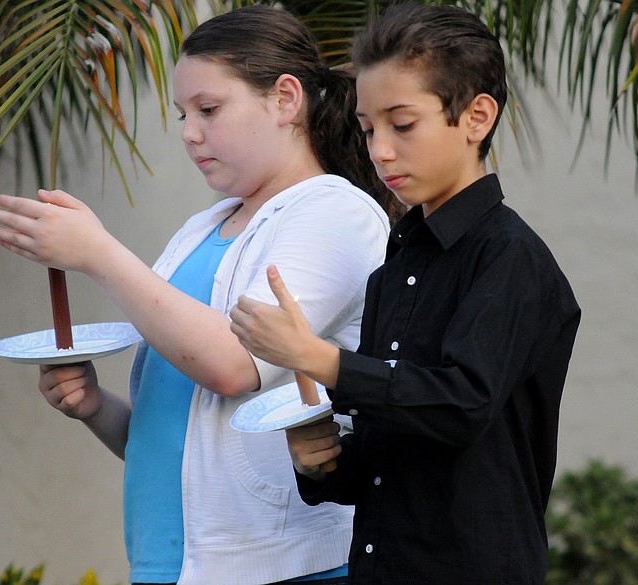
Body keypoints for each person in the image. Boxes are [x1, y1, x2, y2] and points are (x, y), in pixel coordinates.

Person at [0, 6, 394, 585]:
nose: (189, 133)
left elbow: (234, 366)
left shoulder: (335, 212)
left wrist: (98, 252)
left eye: (209, 109)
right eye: (182, 114)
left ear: (285, 99)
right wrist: (96, 408)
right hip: (167, 566)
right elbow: (183, 446)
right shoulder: (201, 229)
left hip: (279, 571)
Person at [229, 4, 582, 584]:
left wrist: (317, 358)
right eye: (368, 129)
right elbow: (386, 453)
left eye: (403, 123)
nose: (380, 151)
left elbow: (462, 405)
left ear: (476, 116)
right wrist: (321, 463)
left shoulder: (510, 256)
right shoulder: (393, 267)